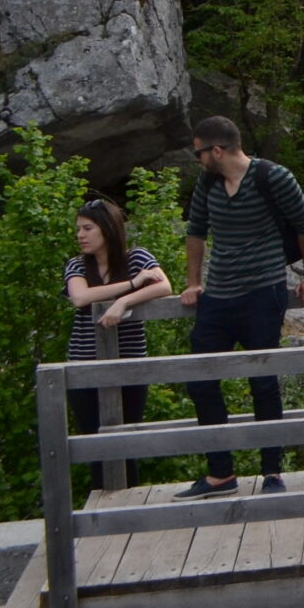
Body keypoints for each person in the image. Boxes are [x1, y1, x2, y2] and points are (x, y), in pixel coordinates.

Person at [178, 117, 304, 497]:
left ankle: (272, 472)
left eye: (199, 153)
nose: (197, 161)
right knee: (201, 378)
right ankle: (220, 473)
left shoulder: (273, 177)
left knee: (263, 380)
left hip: (263, 292)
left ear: (217, 150)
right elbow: (196, 231)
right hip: (219, 295)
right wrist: (194, 282)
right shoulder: (208, 183)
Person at [66, 198, 171, 490]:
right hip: (84, 365)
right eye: (78, 229)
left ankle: (129, 503)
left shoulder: (136, 258)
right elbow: (81, 298)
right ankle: (102, 506)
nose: (80, 235)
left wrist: (123, 301)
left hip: (130, 363)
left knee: (128, 439)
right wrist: (133, 285)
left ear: (108, 229)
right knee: (94, 441)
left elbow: (164, 285)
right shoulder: (76, 264)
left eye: (88, 228)